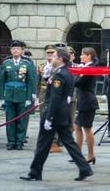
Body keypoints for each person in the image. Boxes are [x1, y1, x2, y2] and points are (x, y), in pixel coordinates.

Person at [19, 47, 93, 182]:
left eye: (53, 56)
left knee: (42, 143)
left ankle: (35, 172)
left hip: (54, 114)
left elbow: (55, 98)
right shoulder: (65, 72)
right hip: (62, 113)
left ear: (60, 59)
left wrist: (49, 118)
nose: (51, 58)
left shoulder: (59, 74)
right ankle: (85, 168)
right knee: (69, 143)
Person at [0, 40, 36, 150]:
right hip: (9, 95)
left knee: (22, 119)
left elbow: (30, 81)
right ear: (11, 51)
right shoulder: (6, 63)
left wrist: (30, 97)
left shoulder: (27, 64)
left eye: (18, 49)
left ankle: (19, 141)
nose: (15, 50)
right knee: (10, 119)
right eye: (13, 49)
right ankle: (11, 141)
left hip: (22, 95)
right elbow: (2, 81)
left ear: (21, 51)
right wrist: (2, 97)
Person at [74, 47, 99, 163]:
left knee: (87, 128)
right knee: (77, 126)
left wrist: (77, 73)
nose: (80, 57)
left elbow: (78, 83)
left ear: (89, 56)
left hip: (87, 101)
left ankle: (91, 154)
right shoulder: (85, 68)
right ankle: (78, 153)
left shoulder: (89, 69)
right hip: (84, 101)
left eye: (82, 55)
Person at [67, 46, 78, 132]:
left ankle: (69, 136)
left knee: (71, 118)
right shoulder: (60, 66)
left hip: (72, 96)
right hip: (61, 96)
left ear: (73, 56)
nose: (69, 55)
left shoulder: (77, 67)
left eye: (70, 54)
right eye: (67, 54)